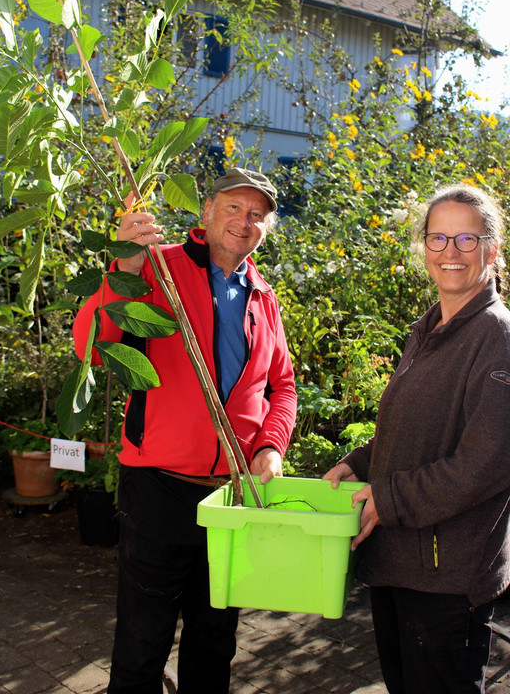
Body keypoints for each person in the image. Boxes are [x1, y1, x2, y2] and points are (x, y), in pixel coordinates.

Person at [73, 167, 297, 694]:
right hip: (159, 487)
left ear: (266, 228)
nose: (244, 221)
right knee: (142, 642)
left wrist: (271, 445)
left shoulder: (263, 297)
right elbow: (91, 346)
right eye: (234, 207)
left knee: (215, 640)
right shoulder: (157, 268)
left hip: (231, 497)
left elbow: (282, 386)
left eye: (257, 214)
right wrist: (123, 268)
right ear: (207, 211)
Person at [324, 184, 510, 694]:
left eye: (467, 239)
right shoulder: (431, 328)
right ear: (424, 246)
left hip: (447, 578)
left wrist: (387, 499)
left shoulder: (497, 337)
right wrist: (360, 464)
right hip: (402, 563)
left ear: (492, 250)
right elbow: (416, 429)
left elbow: (487, 462)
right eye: (438, 238)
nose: (451, 252)